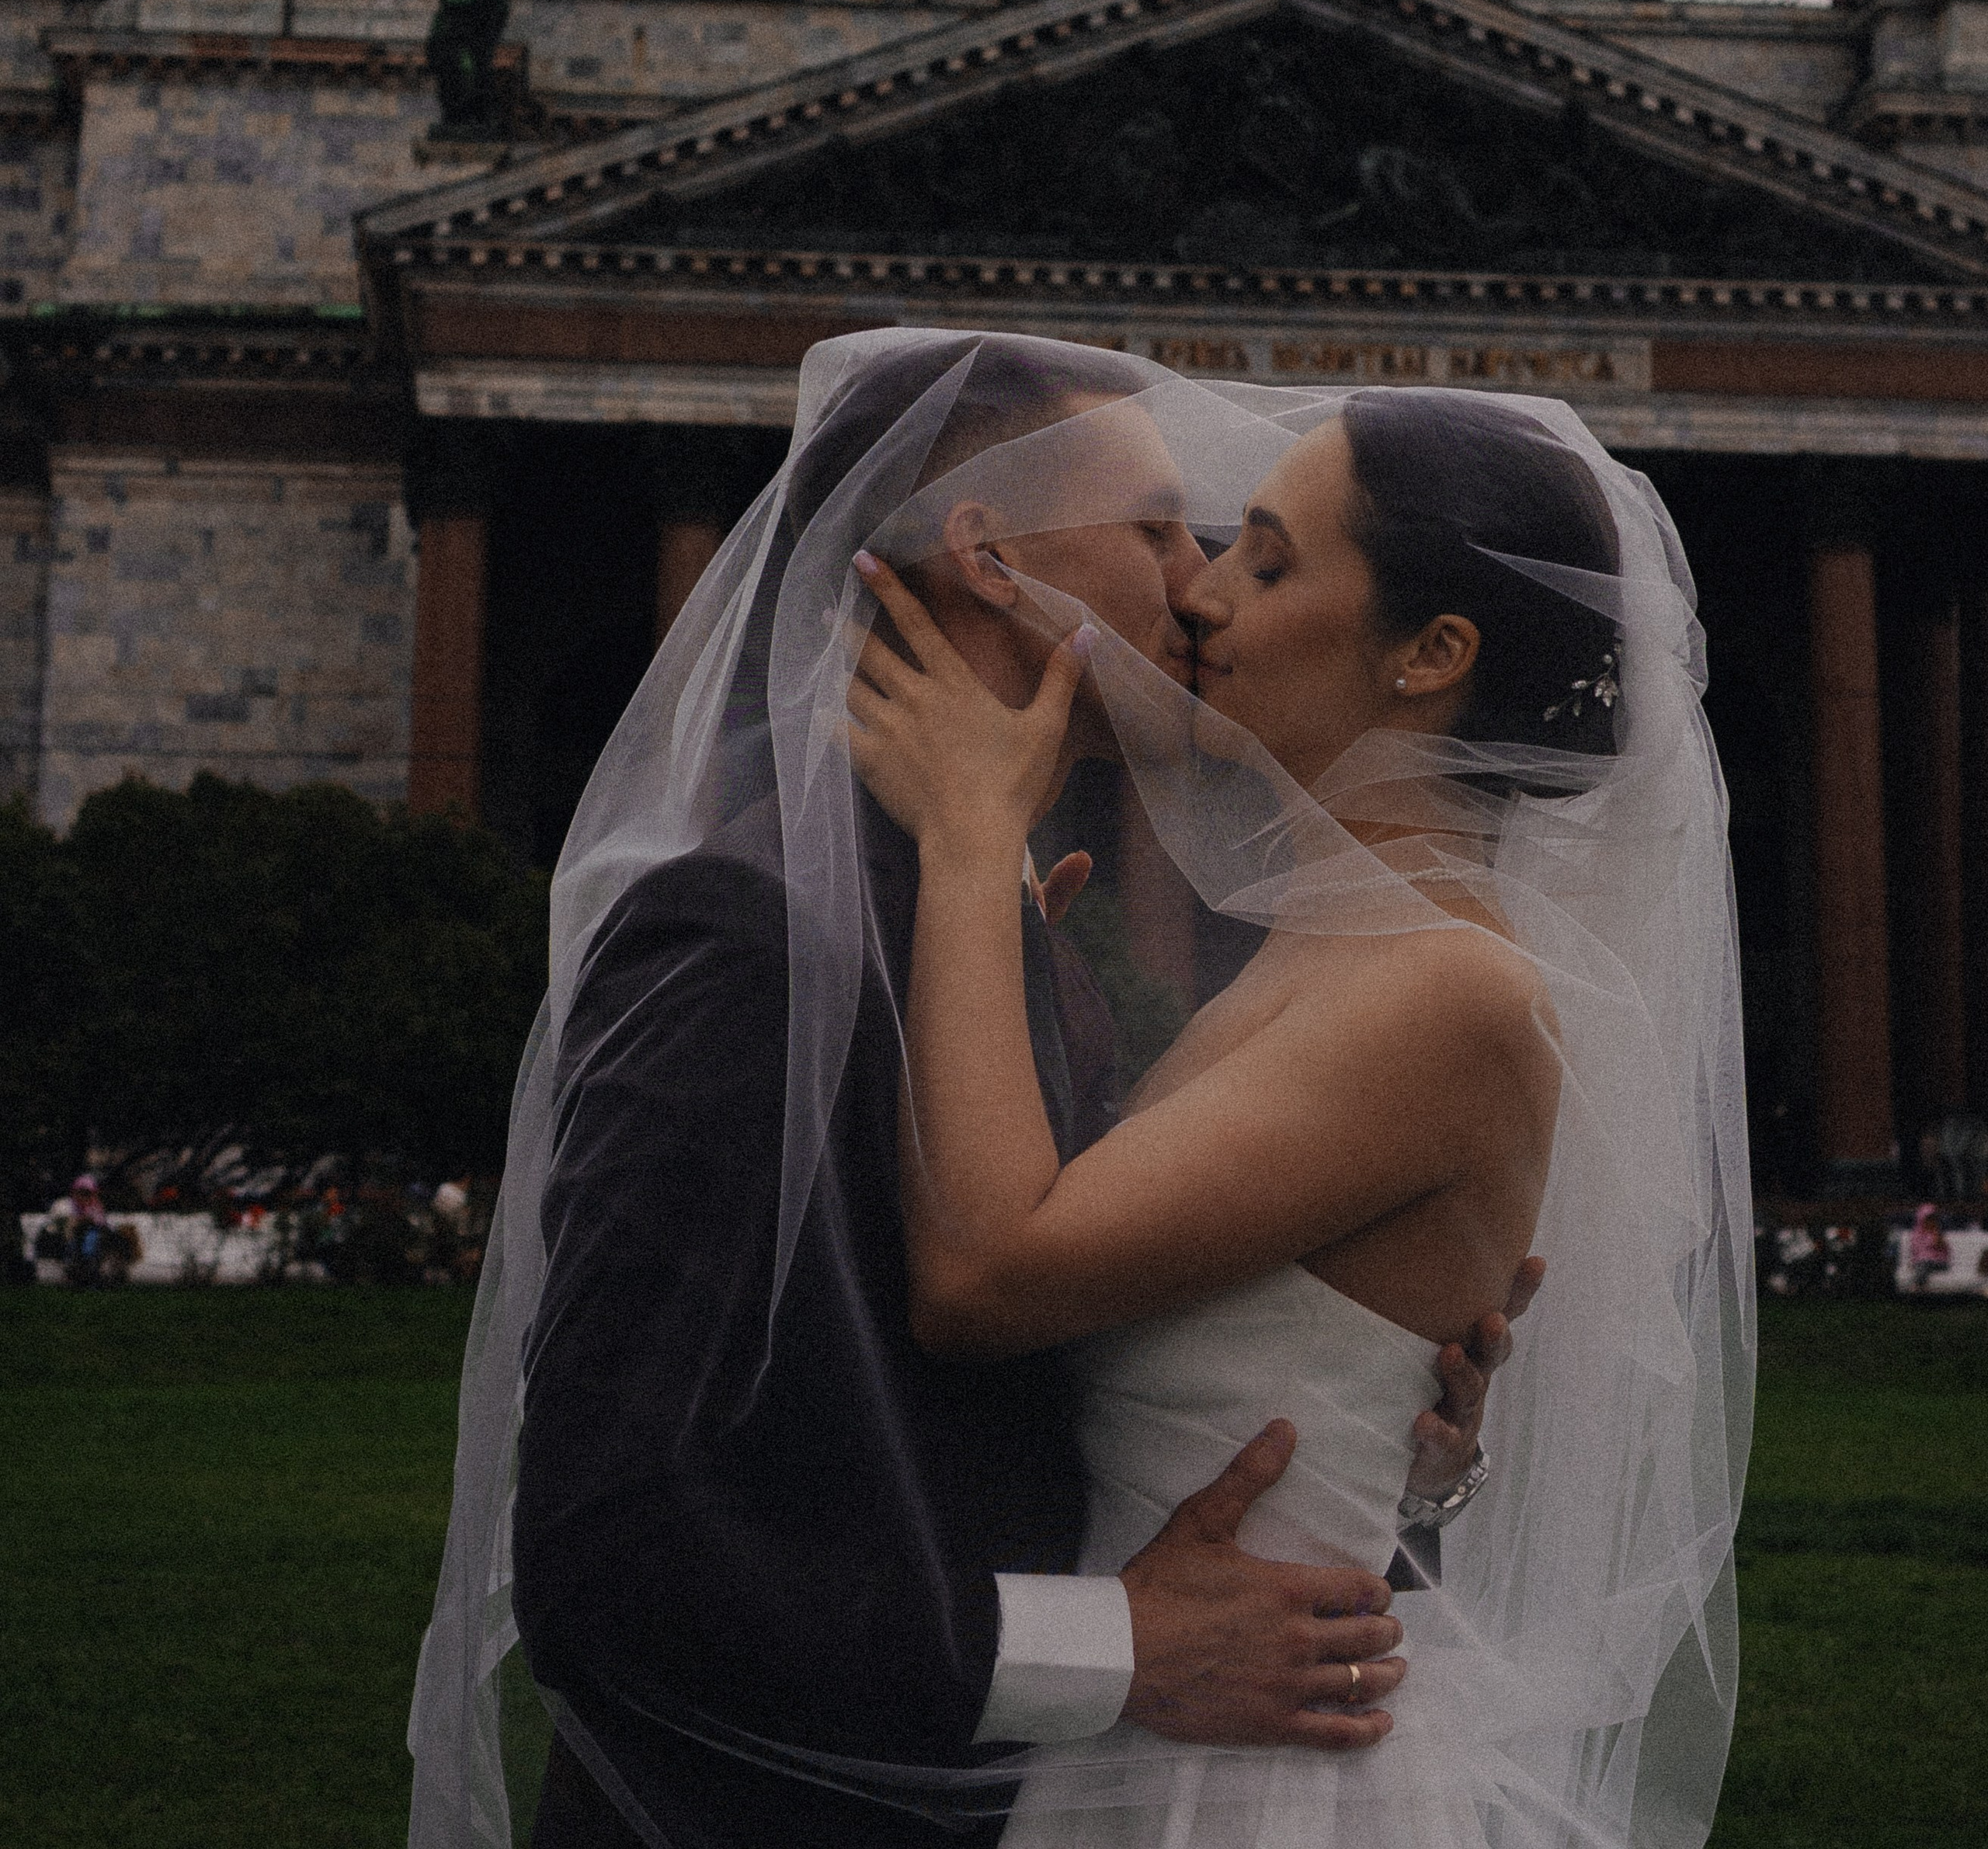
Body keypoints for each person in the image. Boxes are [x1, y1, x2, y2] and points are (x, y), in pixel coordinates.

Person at [408, 336, 1536, 1849]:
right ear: (990, 556)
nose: (1191, 589)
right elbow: (609, 1563)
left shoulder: (998, 926)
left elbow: (1020, 1404)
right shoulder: (757, 935)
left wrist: (1366, 1395)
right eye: (1151, 531)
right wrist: (1112, 1650)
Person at [843, 380, 1752, 1847]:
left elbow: (984, 1273)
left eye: (1267, 561)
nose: (1195, 594)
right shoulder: (1329, 953)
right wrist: (1416, 1455)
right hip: (1170, 1724)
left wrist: (966, 837)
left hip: (1251, 1783)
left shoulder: (1445, 990)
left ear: (1431, 655)